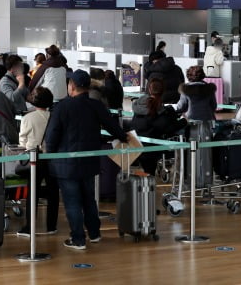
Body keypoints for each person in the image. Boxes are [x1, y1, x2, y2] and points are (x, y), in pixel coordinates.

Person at [46, 70, 128, 250]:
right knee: (89, 199)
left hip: (65, 164)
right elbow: (113, 126)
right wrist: (123, 137)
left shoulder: (61, 107)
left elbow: (52, 136)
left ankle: (78, 239)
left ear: (72, 86)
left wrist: (48, 155)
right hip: (89, 161)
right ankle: (94, 233)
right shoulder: (96, 105)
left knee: (72, 202)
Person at [17, 86, 59, 237]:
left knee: (32, 192)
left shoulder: (28, 118)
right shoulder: (54, 116)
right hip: (52, 158)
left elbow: (22, 141)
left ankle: (30, 227)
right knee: (53, 192)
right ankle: (52, 226)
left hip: (34, 158)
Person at [131, 78, 186, 175]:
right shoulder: (157, 108)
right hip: (150, 149)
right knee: (149, 175)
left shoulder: (140, 104)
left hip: (136, 144)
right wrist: (184, 121)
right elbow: (168, 128)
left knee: (145, 174)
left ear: (149, 89)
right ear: (163, 91)